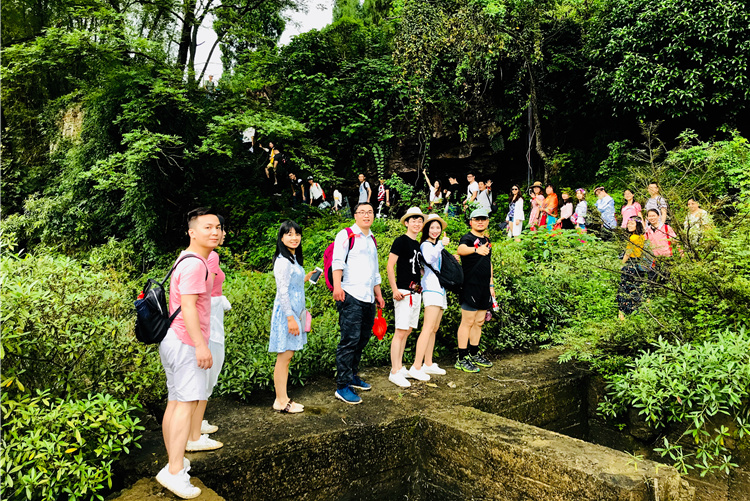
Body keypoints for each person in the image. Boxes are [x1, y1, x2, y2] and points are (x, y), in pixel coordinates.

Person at [155, 208, 221, 499]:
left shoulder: (186, 258)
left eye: (217, 227)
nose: (215, 231)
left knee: (175, 402)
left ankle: (175, 462)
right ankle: (174, 472)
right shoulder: (195, 264)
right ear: (192, 232)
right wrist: (201, 345)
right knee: (185, 404)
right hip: (185, 341)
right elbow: (189, 306)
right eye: (207, 227)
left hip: (173, 339)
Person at [332, 202, 385, 404]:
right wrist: (337, 287)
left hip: (368, 297)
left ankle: (352, 375)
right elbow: (337, 262)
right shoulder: (346, 235)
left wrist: (378, 294)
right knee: (349, 341)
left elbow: (375, 271)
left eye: (369, 212)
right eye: (362, 212)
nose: (366, 215)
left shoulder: (372, 239)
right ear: (355, 215)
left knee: (362, 339)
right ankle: (342, 386)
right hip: (350, 295)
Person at [269, 220, 315, 413]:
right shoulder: (282, 261)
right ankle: (281, 401)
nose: (294, 238)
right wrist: (290, 318)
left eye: (297, 234)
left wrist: (305, 278)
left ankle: (283, 398)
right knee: (284, 357)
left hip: (295, 312)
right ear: (281, 238)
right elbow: (282, 292)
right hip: (287, 314)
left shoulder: (292, 259)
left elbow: (291, 284)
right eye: (289, 234)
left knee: (287, 356)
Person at [386, 207, 425, 388]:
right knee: (400, 331)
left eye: (420, 221)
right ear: (406, 223)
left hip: (416, 292)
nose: (417, 224)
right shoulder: (400, 241)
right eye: (413, 220)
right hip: (403, 291)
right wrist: (394, 289)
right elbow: (390, 266)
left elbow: (419, 268)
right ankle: (394, 371)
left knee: (408, 330)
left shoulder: (417, 244)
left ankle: (400, 367)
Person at [202, 215, 231, 437]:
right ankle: (196, 426)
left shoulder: (204, 255)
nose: (222, 233)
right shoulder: (212, 256)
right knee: (209, 367)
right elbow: (206, 290)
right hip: (210, 318)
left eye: (220, 228)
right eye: (219, 228)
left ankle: (196, 421)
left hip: (211, 314)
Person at [454, 208, 494, 373]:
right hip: (470, 286)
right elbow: (461, 249)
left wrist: (491, 285)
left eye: (483, 219)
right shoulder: (468, 238)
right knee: (468, 322)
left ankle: (474, 353)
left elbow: (488, 263)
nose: (480, 222)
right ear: (471, 222)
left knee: (479, 322)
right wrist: (476, 250)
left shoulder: (486, 240)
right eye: (477, 219)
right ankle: (462, 358)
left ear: (487, 221)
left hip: (484, 287)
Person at [412, 214, 451, 379]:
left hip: (440, 289)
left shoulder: (435, 245)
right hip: (431, 289)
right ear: (427, 229)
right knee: (428, 328)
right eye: (432, 227)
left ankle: (428, 363)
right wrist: (442, 244)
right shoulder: (426, 245)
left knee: (434, 328)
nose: (435, 230)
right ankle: (416, 366)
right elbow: (429, 258)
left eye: (438, 227)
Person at [617, 218, 647, 320]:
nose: (629, 225)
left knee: (625, 287)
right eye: (628, 223)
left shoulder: (633, 238)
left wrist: (621, 264)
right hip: (638, 264)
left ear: (637, 225)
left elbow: (628, 252)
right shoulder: (642, 237)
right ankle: (634, 310)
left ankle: (622, 312)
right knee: (635, 287)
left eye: (632, 223)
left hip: (630, 263)